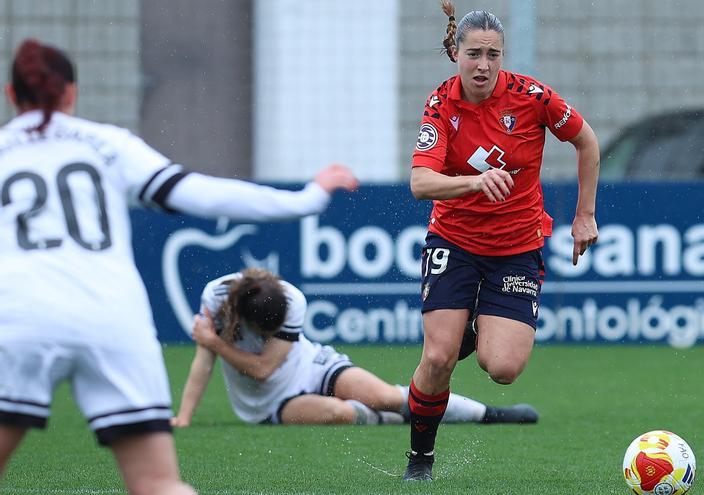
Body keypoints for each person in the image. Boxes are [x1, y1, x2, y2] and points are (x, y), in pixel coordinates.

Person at [0, 39, 358, 495]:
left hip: (22, 318)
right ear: (71, 92)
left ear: (11, 94)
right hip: (112, 320)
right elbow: (206, 195)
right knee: (158, 484)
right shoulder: (109, 145)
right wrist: (309, 197)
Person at [402, 2, 601, 481]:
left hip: (517, 247)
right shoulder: (441, 104)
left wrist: (585, 215)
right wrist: (473, 183)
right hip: (454, 239)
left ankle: (468, 331)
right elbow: (420, 183)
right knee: (436, 357)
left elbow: (587, 141)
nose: (484, 65)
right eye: (474, 54)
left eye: (494, 54)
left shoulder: (532, 96)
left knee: (504, 368)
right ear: (456, 53)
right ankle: (420, 461)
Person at [171, 269, 539, 429]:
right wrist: (184, 416)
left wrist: (215, 342)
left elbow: (266, 365)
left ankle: (490, 414)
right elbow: (206, 362)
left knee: (384, 394)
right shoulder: (215, 299)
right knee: (339, 414)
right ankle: (397, 421)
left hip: (311, 366)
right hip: (267, 402)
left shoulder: (291, 300)